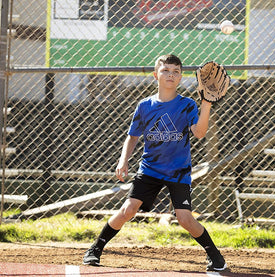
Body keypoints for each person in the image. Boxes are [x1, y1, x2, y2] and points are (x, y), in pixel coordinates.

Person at [83, 54, 227, 272]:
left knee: (185, 219)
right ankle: (95, 248)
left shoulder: (187, 105)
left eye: (176, 71)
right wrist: (124, 160)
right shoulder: (145, 105)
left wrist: (206, 103)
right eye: (165, 70)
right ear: (155, 75)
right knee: (128, 209)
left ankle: (215, 257)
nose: (170, 74)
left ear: (181, 77)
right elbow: (132, 136)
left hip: (178, 171)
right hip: (150, 168)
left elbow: (199, 133)